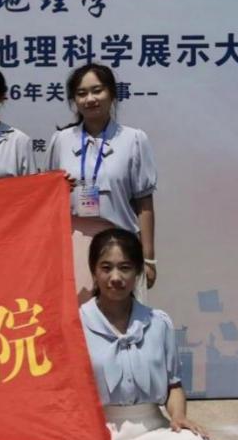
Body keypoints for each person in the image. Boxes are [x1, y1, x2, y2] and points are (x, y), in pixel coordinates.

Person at [74, 228, 230, 440]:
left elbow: (174, 385)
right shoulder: (74, 324)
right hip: (102, 435)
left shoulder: (158, 323)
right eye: (106, 267)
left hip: (152, 429)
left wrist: (179, 416)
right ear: (94, 271)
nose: (115, 277)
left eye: (125, 267)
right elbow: (67, 399)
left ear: (138, 272)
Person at [47, 63, 157, 302]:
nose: (90, 99)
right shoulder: (61, 140)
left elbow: (144, 203)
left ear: (112, 93)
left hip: (120, 243)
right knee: (76, 316)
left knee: (120, 315)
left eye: (97, 90)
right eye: (82, 93)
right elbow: (49, 199)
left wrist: (148, 258)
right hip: (72, 243)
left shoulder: (134, 139)